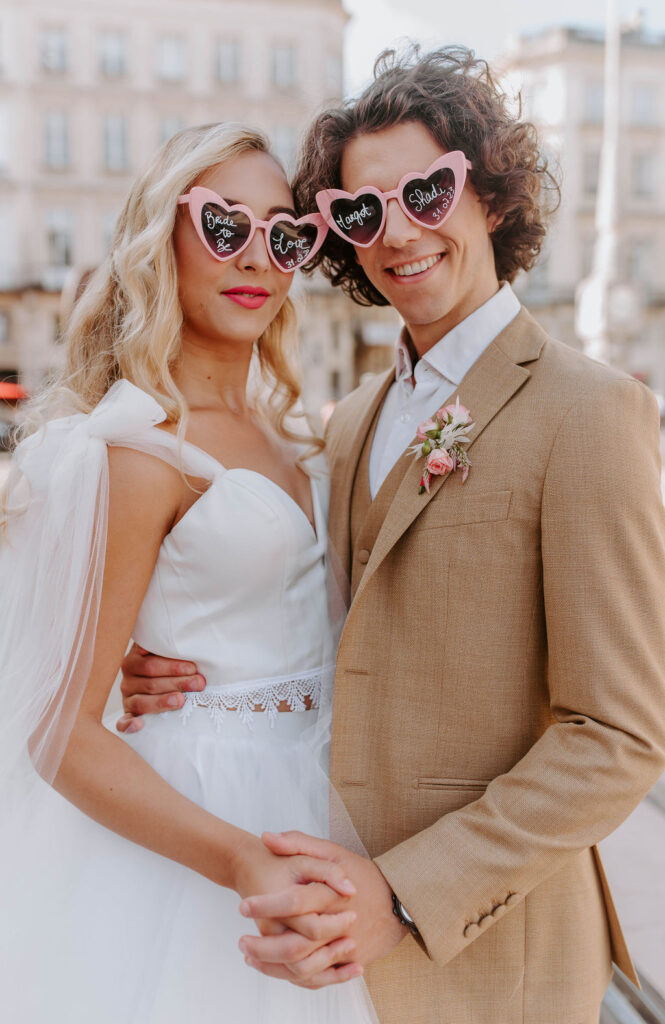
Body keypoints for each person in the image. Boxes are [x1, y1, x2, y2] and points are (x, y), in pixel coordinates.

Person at [119, 48, 665, 1024]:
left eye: (426, 191)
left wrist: (405, 892)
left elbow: (617, 736)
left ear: (488, 195)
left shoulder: (589, 412)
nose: (398, 232)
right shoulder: (350, 419)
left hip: (499, 964)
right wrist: (163, 655)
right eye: (362, 211)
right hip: (327, 957)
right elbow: (326, 621)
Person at [0, 122, 379, 1023]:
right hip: (204, 820)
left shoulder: (294, 434)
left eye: (285, 234)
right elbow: (60, 730)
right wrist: (242, 858)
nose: (258, 255)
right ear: (161, 239)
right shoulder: (138, 449)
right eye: (222, 225)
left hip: (320, 803)